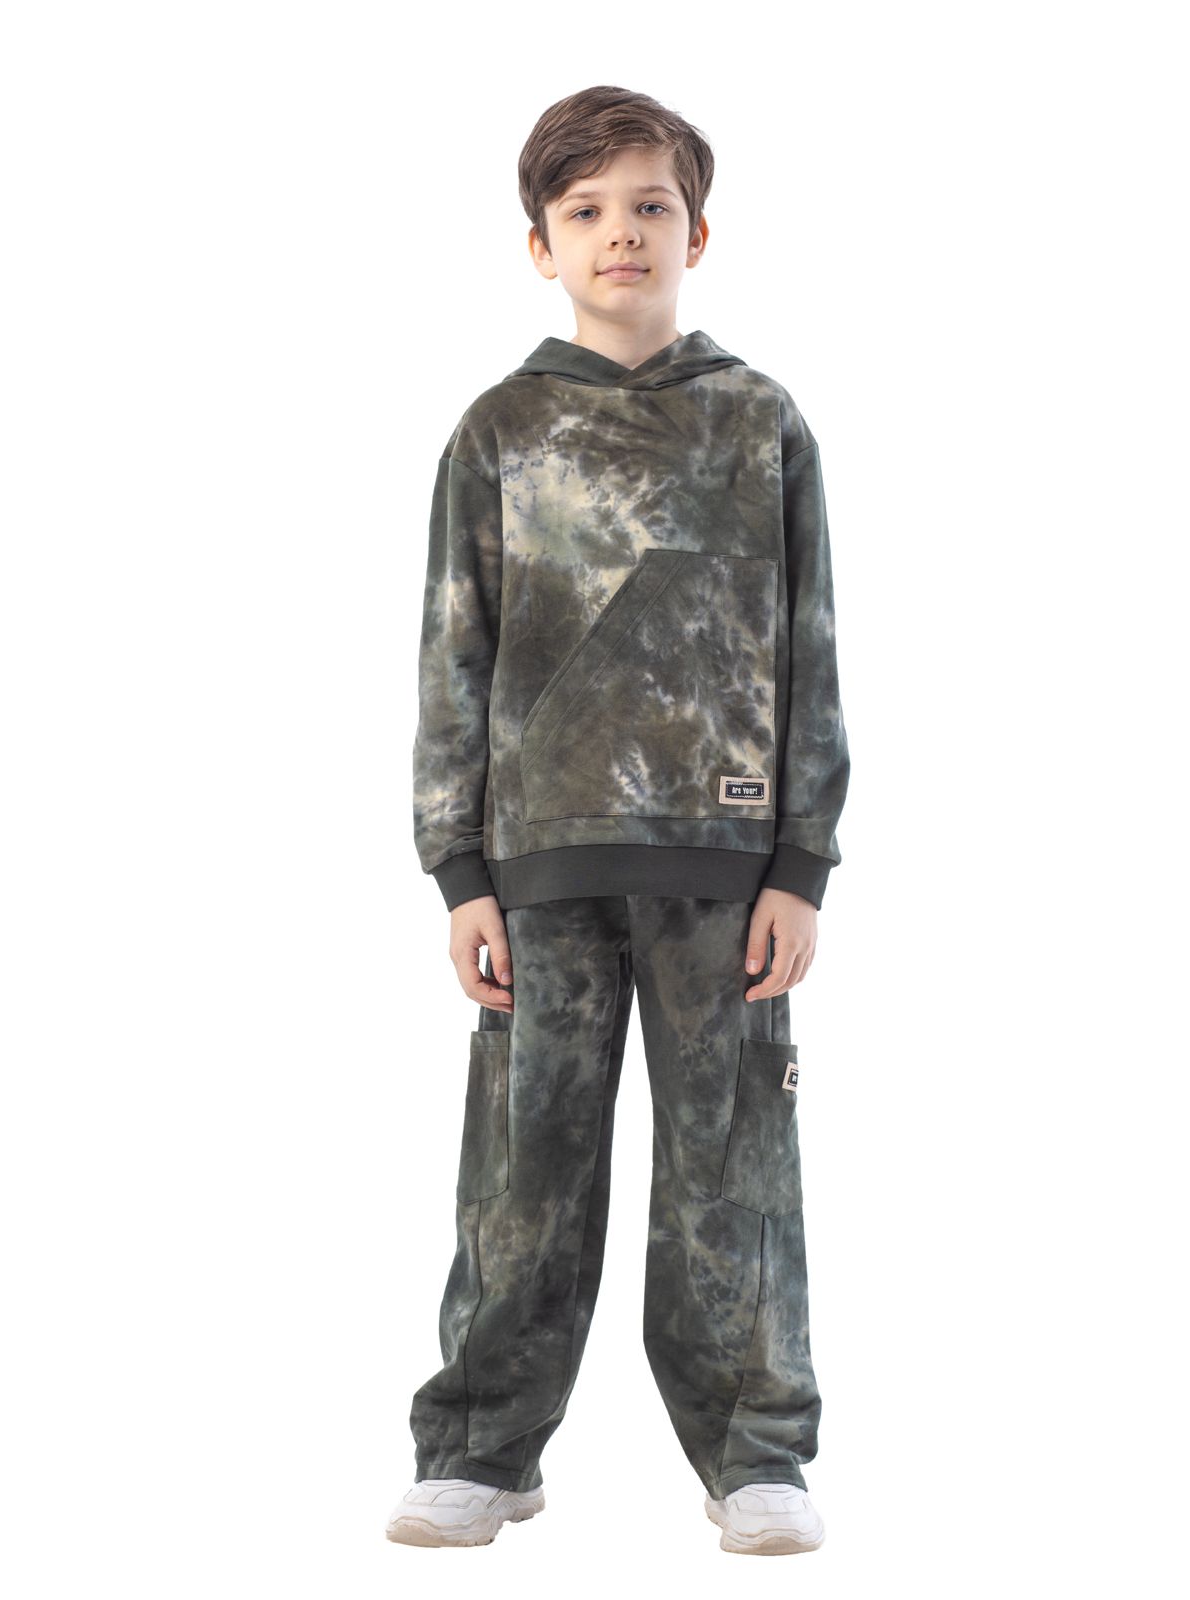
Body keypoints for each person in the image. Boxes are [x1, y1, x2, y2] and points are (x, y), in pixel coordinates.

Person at [386, 83, 850, 1557]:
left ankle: (756, 1455)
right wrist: (459, 867)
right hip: (540, 865)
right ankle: (481, 1447)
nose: (621, 233)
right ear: (542, 246)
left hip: (727, 862)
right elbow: (453, 653)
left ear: (698, 231)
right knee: (523, 1169)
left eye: (651, 205)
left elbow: (810, 646)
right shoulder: (499, 430)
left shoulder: (759, 420)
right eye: (585, 211)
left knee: (731, 1172)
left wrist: (802, 861)